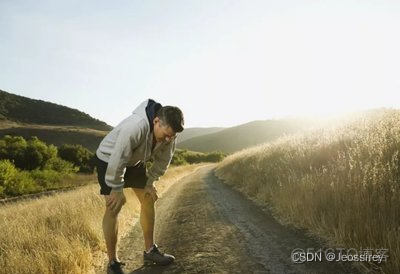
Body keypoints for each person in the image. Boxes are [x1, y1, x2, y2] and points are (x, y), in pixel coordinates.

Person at [95, 99, 184, 274]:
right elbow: (119, 157)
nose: (168, 139)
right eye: (165, 134)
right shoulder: (135, 126)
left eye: (171, 136)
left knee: (148, 198)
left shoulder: (170, 133)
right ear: (156, 121)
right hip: (109, 159)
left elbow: (164, 160)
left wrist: (150, 182)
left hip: (135, 162)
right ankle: (112, 263)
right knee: (115, 205)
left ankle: (150, 250)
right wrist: (116, 187)